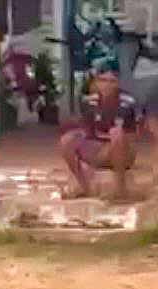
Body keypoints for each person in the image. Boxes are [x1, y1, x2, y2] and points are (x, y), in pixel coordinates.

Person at [59, 65, 141, 200]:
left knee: (117, 133)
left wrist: (113, 138)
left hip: (122, 150)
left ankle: (121, 189)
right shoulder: (88, 102)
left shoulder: (128, 102)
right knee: (67, 139)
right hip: (98, 147)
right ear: (96, 83)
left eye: (111, 81)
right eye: (103, 81)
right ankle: (84, 186)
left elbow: (133, 135)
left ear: (118, 83)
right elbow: (87, 132)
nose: (107, 85)